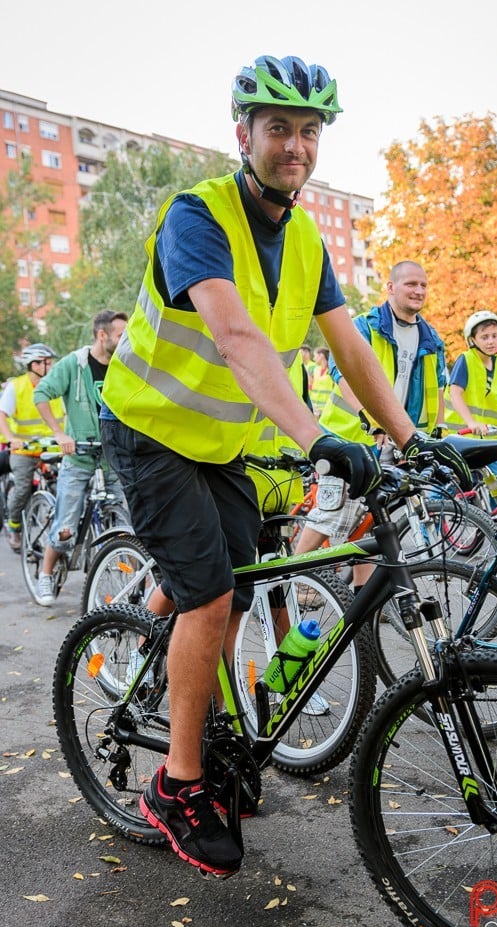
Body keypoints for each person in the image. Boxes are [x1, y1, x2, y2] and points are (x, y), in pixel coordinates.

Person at [98, 55, 471, 879]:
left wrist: (412, 437)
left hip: (220, 444)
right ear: (245, 134)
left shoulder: (304, 237)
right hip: (151, 434)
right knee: (213, 593)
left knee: (240, 585)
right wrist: (316, 439)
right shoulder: (197, 215)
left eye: (308, 132)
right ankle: (177, 782)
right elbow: (235, 339)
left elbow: (351, 349)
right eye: (278, 129)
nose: (294, 146)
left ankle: (178, 665)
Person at [294, 259, 448, 587]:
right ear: (390, 287)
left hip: (392, 443)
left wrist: (430, 437)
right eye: (411, 284)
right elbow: (342, 373)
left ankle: (362, 597)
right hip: (347, 438)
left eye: (423, 284)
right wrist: (371, 419)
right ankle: (287, 583)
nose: (419, 290)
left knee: (369, 520)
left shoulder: (430, 338)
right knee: (330, 515)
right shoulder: (365, 325)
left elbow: (439, 391)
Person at [32, 309, 128, 606]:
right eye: (120, 335)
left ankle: (130, 585)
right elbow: (41, 395)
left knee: (125, 524)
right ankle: (45, 575)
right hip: (79, 459)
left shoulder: (123, 365)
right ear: (102, 335)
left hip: (110, 458)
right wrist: (60, 434)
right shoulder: (75, 364)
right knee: (65, 528)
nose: (126, 340)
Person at [0, 344, 64, 552]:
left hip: (53, 449)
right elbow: (2, 415)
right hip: (24, 450)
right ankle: (15, 527)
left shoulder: (56, 385)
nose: (50, 366)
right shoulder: (16, 386)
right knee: (22, 488)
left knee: (67, 484)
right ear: (33, 364)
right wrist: (10, 439)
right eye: (47, 362)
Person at [445, 311, 497, 437]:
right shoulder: (466, 360)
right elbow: (455, 394)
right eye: (484, 337)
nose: (491, 341)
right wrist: (471, 422)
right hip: (461, 438)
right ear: (472, 340)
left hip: (492, 439)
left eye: (494, 336)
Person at [308, 345, 333, 416]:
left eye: (315, 356)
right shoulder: (314, 370)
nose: (314, 358)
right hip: (314, 407)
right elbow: (310, 387)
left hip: (327, 408)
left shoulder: (331, 371)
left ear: (321, 356)